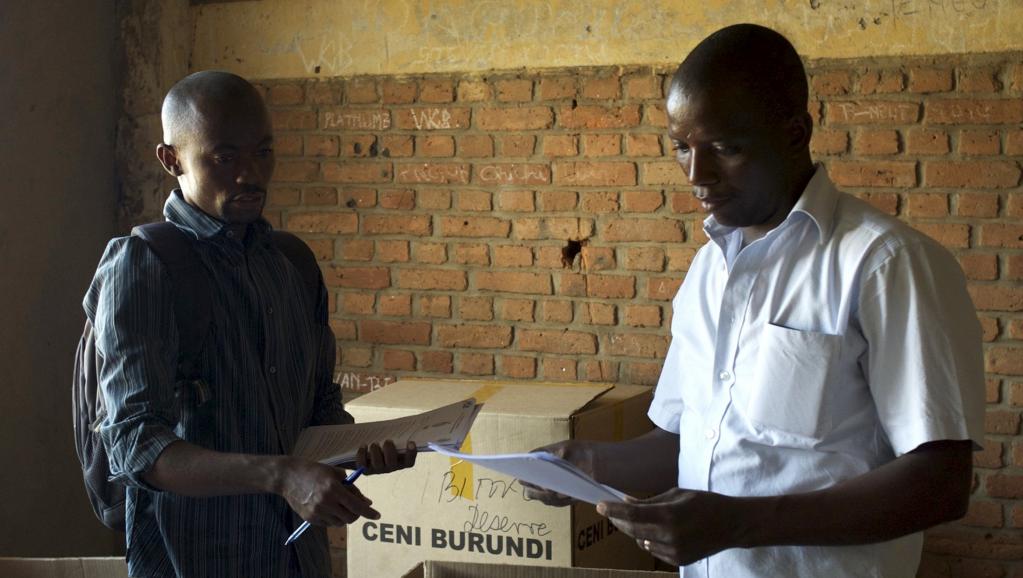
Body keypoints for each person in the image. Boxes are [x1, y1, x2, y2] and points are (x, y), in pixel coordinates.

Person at [525, 24, 983, 577]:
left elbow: (941, 483)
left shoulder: (884, 264)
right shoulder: (707, 271)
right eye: (681, 148)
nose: (698, 175)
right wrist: (588, 465)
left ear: (795, 132)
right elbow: (690, 439)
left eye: (725, 147)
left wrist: (740, 522)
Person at [84, 70, 415, 577]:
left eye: (263, 152)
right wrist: (281, 476)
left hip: (298, 558)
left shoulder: (291, 265)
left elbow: (318, 407)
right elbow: (134, 446)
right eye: (225, 157)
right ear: (171, 159)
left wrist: (360, 451)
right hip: (195, 560)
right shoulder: (144, 265)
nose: (250, 175)